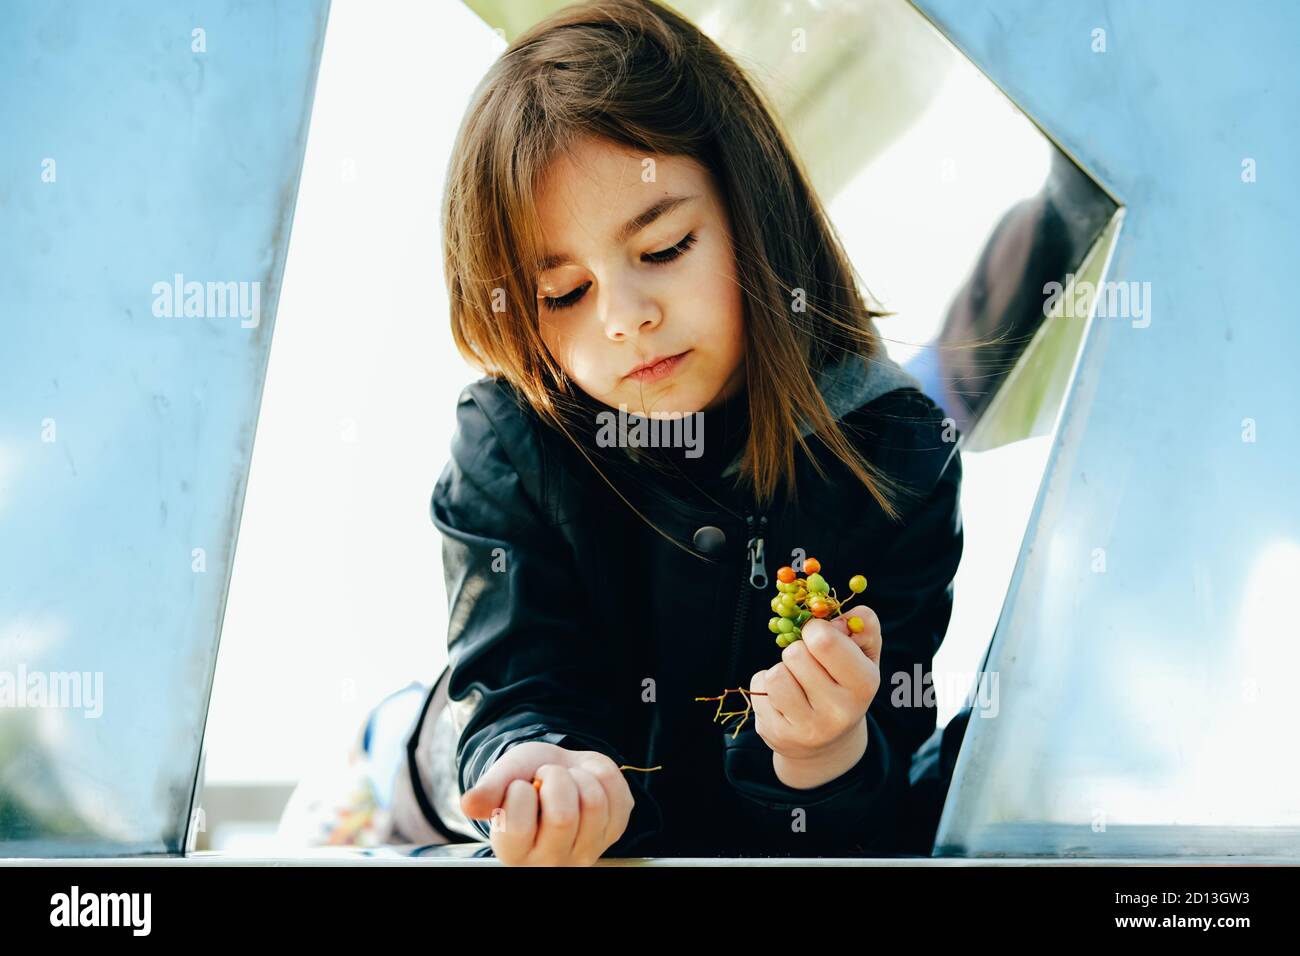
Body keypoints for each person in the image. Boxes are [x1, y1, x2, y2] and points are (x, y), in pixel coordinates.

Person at [392, 0, 965, 864]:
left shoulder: (893, 452)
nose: (625, 317)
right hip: (442, 770)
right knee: (401, 752)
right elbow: (514, 678)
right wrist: (541, 768)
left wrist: (824, 752)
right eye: (564, 294)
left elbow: (882, 794)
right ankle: (376, 738)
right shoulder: (510, 440)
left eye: (662, 248)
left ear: (751, 206)